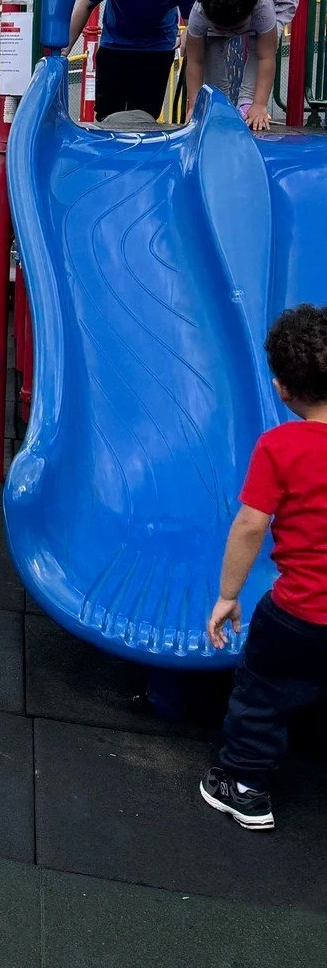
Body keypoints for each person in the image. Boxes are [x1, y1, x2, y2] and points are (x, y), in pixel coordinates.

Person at [201, 304, 327, 832]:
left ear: (280, 388)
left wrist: (229, 594)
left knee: (262, 690)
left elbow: (251, 525)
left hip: (300, 612)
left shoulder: (281, 445)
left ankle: (244, 787)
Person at [67, 0, 197, 121]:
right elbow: (86, 3)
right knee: (108, 113)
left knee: (145, 115)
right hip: (115, 47)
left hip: (157, 50)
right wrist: (66, 47)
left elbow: (193, 18)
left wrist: (187, 32)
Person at [183, 0, 295, 135]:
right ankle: (219, 103)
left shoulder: (262, 7)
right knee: (210, 44)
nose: (231, 33)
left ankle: (246, 102)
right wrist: (193, 107)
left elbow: (267, 57)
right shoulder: (201, 11)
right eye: (222, 29)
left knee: (261, 45)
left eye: (238, 28)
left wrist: (259, 104)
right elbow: (195, 61)